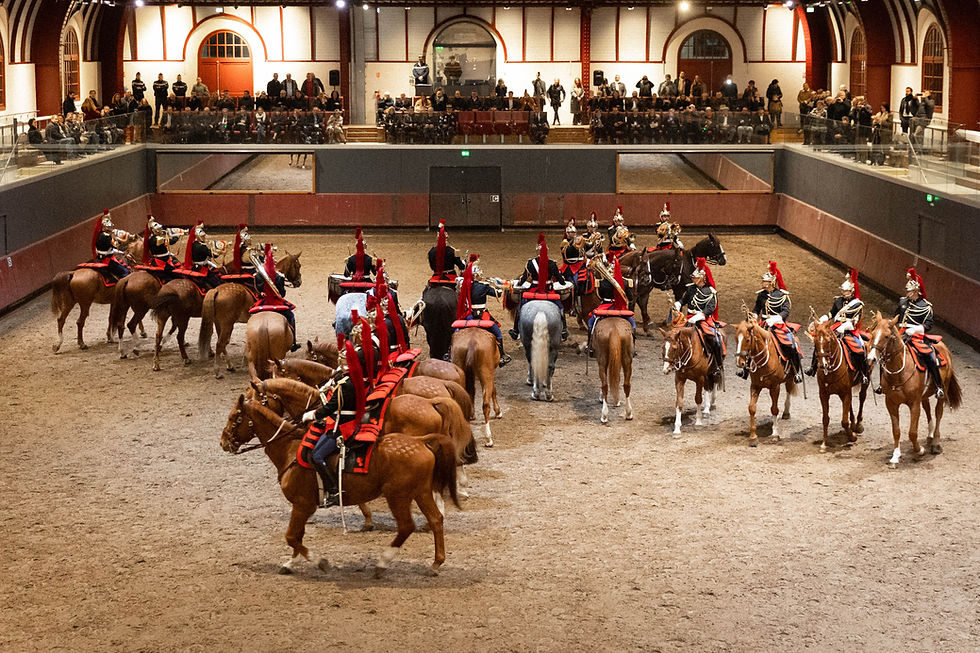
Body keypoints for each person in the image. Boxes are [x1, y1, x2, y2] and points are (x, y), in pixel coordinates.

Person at [301, 335, 367, 506]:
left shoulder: (346, 385)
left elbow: (330, 407)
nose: (340, 363)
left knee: (317, 455)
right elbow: (337, 378)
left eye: (343, 361)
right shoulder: (349, 377)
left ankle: (333, 491)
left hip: (343, 426)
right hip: (344, 420)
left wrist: (313, 415)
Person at [889, 268, 944, 398]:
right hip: (901, 333)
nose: (907, 293)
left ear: (916, 291)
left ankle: (938, 386)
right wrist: (889, 323)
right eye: (907, 290)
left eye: (909, 291)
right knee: (885, 350)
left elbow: (928, 325)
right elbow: (896, 316)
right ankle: (883, 383)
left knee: (929, 356)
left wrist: (915, 329)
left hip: (916, 336)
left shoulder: (926, 307)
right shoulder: (903, 301)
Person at [745, 261, 803, 382]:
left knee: (792, 345)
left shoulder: (782, 295)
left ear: (771, 282)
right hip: (763, 324)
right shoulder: (761, 295)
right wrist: (753, 316)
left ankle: (795, 372)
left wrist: (775, 319)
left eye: (764, 281)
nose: (762, 283)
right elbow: (757, 309)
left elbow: (786, 311)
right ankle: (746, 368)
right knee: (749, 341)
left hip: (777, 325)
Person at [806, 269, 868, 381]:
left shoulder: (857, 305)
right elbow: (831, 314)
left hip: (849, 330)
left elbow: (856, 321)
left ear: (852, 291)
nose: (843, 293)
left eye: (846, 291)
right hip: (835, 328)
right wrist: (823, 319)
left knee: (859, 349)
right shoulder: (838, 301)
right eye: (843, 291)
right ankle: (813, 367)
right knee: (820, 343)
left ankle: (863, 373)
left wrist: (845, 326)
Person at [455, 254, 511, 367]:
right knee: (497, 333)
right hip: (482, 316)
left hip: (468, 316)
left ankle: (448, 352)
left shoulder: (463, 285)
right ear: (477, 275)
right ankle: (502, 355)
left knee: (455, 332)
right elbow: (498, 294)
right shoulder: (484, 286)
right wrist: (498, 285)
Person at [510, 233, 568, 341]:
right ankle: (564, 329)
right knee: (560, 307)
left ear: (537, 251)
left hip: (534, 290)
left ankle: (515, 330)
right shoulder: (552, 264)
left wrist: (519, 283)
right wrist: (563, 282)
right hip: (549, 291)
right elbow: (560, 280)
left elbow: (524, 278)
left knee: (520, 307)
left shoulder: (530, 263)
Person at [675, 257, 724, 367]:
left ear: (701, 278)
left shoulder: (710, 292)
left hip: (703, 319)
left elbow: (710, 308)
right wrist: (678, 304)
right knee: (673, 335)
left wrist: (699, 316)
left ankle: (718, 365)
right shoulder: (691, 289)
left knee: (714, 340)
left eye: (695, 277)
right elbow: (684, 300)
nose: (693, 279)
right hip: (688, 318)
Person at [586, 253, 635, 356]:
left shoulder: (602, 283)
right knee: (633, 324)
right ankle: (633, 346)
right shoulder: (625, 283)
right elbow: (630, 298)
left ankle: (589, 346)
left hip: (605, 307)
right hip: (620, 309)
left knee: (591, 323)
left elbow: (599, 296)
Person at [178, 222, 223, 289]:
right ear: (199, 237)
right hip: (202, 267)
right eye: (203, 236)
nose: (204, 237)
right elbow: (213, 255)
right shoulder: (202, 247)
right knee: (215, 281)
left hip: (195, 266)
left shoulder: (194, 244)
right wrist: (221, 250)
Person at [91, 210, 130, 281]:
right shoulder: (107, 237)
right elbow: (115, 246)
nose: (112, 226)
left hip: (100, 258)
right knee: (126, 272)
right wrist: (123, 248)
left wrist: (121, 253)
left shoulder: (99, 235)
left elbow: (108, 249)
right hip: (108, 260)